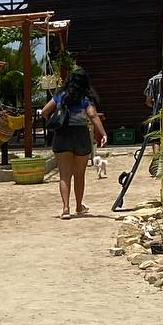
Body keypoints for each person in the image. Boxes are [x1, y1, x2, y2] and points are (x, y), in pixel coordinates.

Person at [42, 66, 107, 219]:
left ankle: (65, 208)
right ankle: (79, 206)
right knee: (79, 175)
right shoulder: (85, 99)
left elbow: (45, 111)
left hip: (62, 135)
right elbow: (93, 116)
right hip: (80, 136)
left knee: (64, 175)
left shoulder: (60, 96)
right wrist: (103, 133)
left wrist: (54, 123)